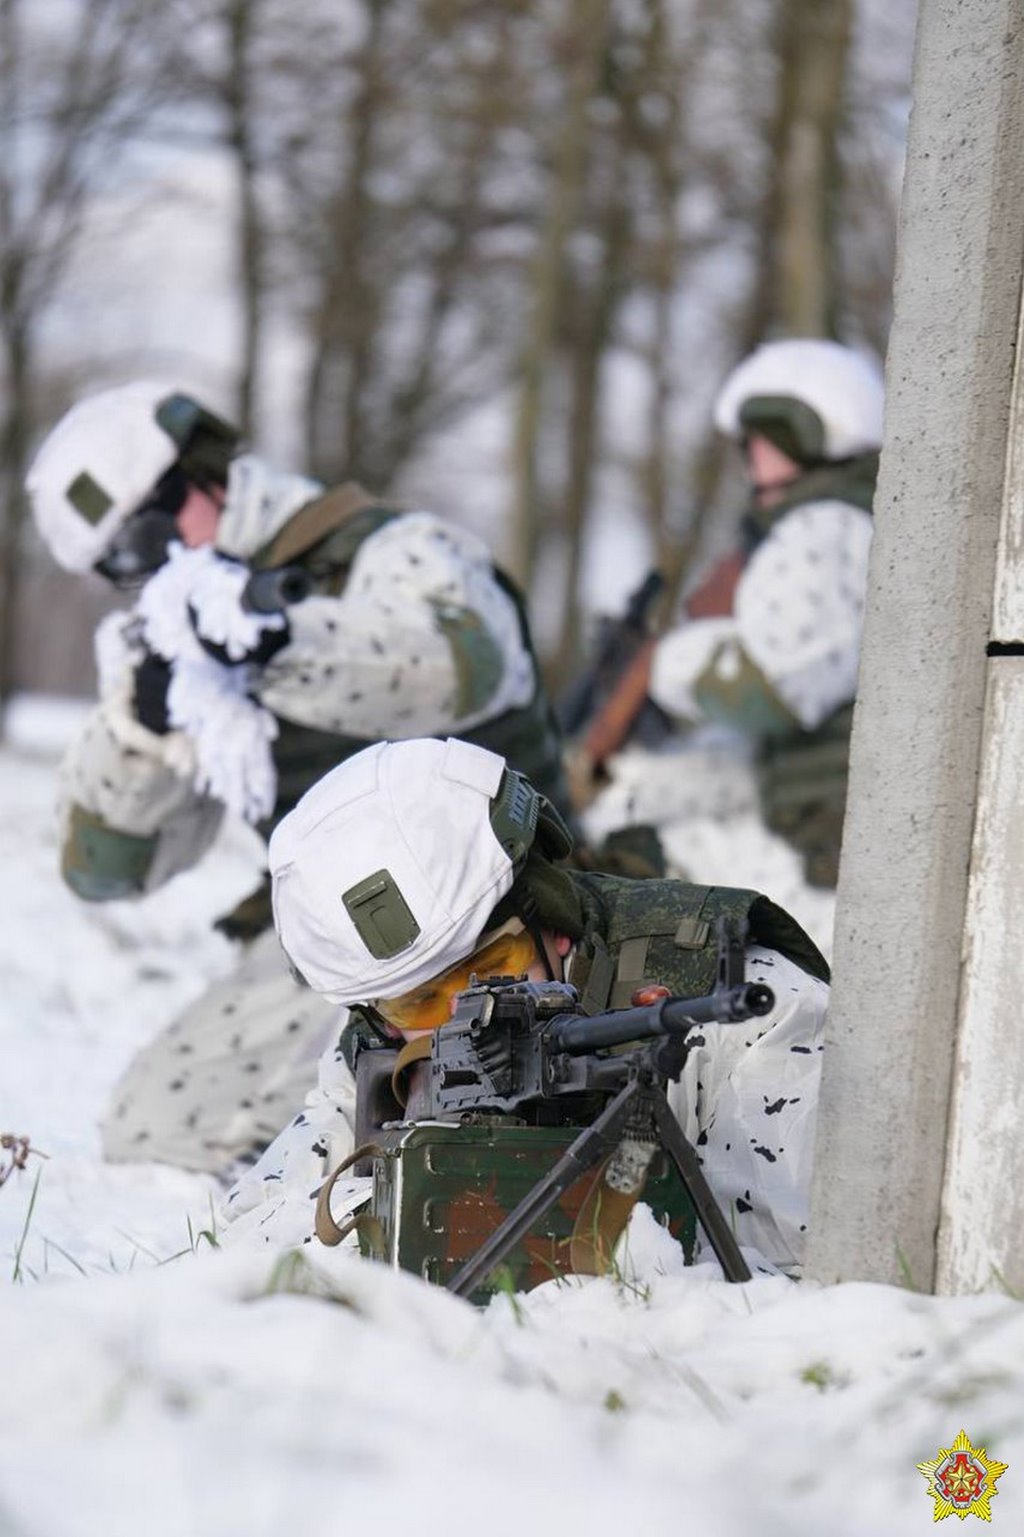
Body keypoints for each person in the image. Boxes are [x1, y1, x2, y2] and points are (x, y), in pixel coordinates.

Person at [26, 381, 573, 1174]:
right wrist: (145, 725)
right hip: (343, 942)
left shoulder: (391, 552)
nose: (148, 569)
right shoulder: (186, 636)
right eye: (118, 565)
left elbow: (464, 668)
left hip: (508, 915)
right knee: (157, 1135)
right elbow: (105, 868)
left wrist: (279, 642)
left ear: (203, 476)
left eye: (145, 535)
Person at [222, 737, 831, 1278]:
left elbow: (827, 1270)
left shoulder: (740, 1013)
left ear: (552, 917)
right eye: (420, 1000)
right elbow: (243, 1244)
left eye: (492, 968)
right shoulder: (385, 1055)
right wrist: (393, 1203)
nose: (467, 1012)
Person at [577, 338, 884, 951]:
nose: (752, 464)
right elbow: (762, 746)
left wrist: (665, 664)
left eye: (760, 442)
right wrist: (628, 788)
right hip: (824, 834)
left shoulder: (822, 527)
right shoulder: (848, 523)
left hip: (824, 859)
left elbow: (771, 686)